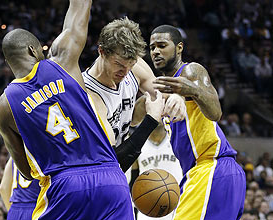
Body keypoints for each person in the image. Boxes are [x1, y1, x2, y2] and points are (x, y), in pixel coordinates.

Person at [0, 0, 164, 219]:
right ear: (32, 50)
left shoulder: (3, 107)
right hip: (110, 177)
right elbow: (80, 5)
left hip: (64, 186)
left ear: (8, 62)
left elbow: (26, 171)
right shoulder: (62, 62)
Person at [150, 25, 246, 220]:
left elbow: (216, 113)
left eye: (162, 45)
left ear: (179, 47)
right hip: (206, 172)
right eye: (152, 47)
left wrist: (194, 91)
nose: (156, 51)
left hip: (211, 167)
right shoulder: (162, 87)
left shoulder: (191, 71)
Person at [82, 17, 186, 179]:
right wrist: (151, 120)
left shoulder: (134, 67)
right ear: (101, 51)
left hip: (120, 170)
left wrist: (176, 97)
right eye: (119, 64)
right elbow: (113, 164)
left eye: (130, 64)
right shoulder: (89, 95)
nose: (126, 71)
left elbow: (160, 94)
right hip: (94, 174)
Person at [130, 97, 183, 220]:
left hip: (179, 205)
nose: (160, 113)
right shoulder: (137, 143)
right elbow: (132, 177)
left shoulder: (177, 139)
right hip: (148, 208)